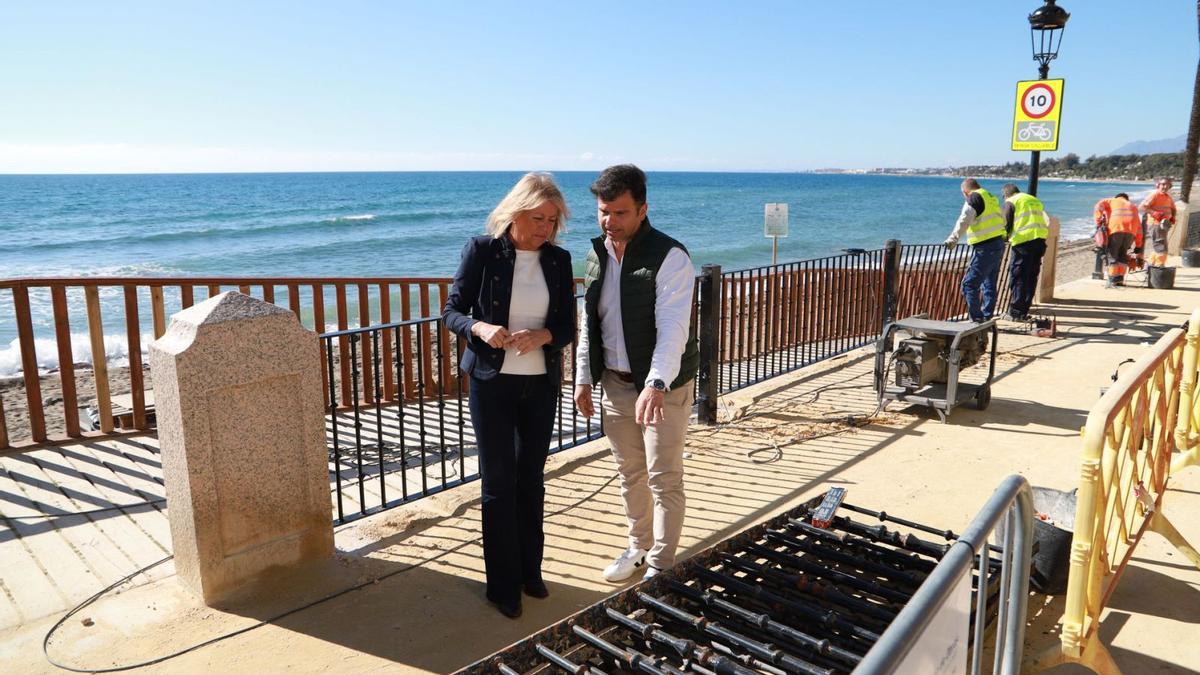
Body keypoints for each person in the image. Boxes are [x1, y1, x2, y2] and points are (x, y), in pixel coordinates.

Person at [442, 172, 576, 619]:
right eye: (538, 217)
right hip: (491, 383)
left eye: (552, 220)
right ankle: (502, 586)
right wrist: (480, 327)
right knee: (499, 484)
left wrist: (544, 336)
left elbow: (568, 328)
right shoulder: (481, 251)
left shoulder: (558, 260)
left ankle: (529, 572)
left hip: (539, 384)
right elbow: (452, 311)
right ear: (515, 212)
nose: (545, 228)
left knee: (531, 480)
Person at [573, 164, 698, 583]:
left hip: (662, 389)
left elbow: (673, 328)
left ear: (643, 209)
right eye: (603, 212)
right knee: (631, 474)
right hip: (613, 384)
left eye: (620, 213)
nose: (610, 222)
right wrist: (583, 377)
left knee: (664, 479)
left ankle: (661, 565)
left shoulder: (670, 257)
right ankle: (639, 547)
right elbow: (589, 321)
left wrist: (656, 383)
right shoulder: (596, 254)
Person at [944, 178, 1007, 322]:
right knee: (989, 283)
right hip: (998, 243)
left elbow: (964, 219)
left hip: (985, 247)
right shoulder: (990, 197)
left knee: (969, 284)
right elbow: (1002, 219)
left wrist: (952, 240)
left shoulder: (974, 197)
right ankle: (987, 316)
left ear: (965, 192)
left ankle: (977, 320)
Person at [1000, 183, 1049, 321]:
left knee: (1019, 275)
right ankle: (1023, 310)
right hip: (1039, 240)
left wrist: (1003, 238)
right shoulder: (1034, 200)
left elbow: (1006, 223)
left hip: (1023, 242)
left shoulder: (1011, 201)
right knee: (1031, 276)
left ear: (1006, 194)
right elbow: (1046, 219)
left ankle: (1015, 312)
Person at [1093, 192, 1143, 287]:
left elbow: (1098, 205)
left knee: (1112, 255)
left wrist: (1098, 221)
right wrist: (1138, 245)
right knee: (1122, 256)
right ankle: (1120, 280)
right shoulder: (1133, 206)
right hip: (1131, 233)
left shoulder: (1112, 201)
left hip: (1116, 229)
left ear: (1117, 197)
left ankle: (1112, 280)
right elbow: (1139, 228)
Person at [1140, 176, 1177, 267]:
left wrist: (1172, 217)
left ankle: (1150, 265)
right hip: (1155, 223)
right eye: (1163, 184)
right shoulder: (1155, 195)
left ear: (1170, 186)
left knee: (1158, 244)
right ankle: (1159, 266)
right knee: (1160, 245)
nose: (1165, 187)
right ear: (1158, 185)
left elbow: (1173, 209)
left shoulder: (1168, 197)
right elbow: (1142, 206)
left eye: (1167, 185)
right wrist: (1153, 213)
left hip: (1164, 224)